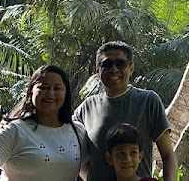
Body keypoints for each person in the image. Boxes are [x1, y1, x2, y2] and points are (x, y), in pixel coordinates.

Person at [0, 64, 90, 181]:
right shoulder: (15, 131)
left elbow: (87, 172)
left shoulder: (77, 131)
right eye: (43, 87)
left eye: (57, 88)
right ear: (31, 91)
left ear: (66, 93)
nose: (50, 93)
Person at [74, 41, 178, 181]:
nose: (114, 69)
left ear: (131, 68)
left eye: (120, 63)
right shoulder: (85, 109)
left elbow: (167, 155)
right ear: (98, 70)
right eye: (107, 64)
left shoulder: (148, 101)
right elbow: (76, 156)